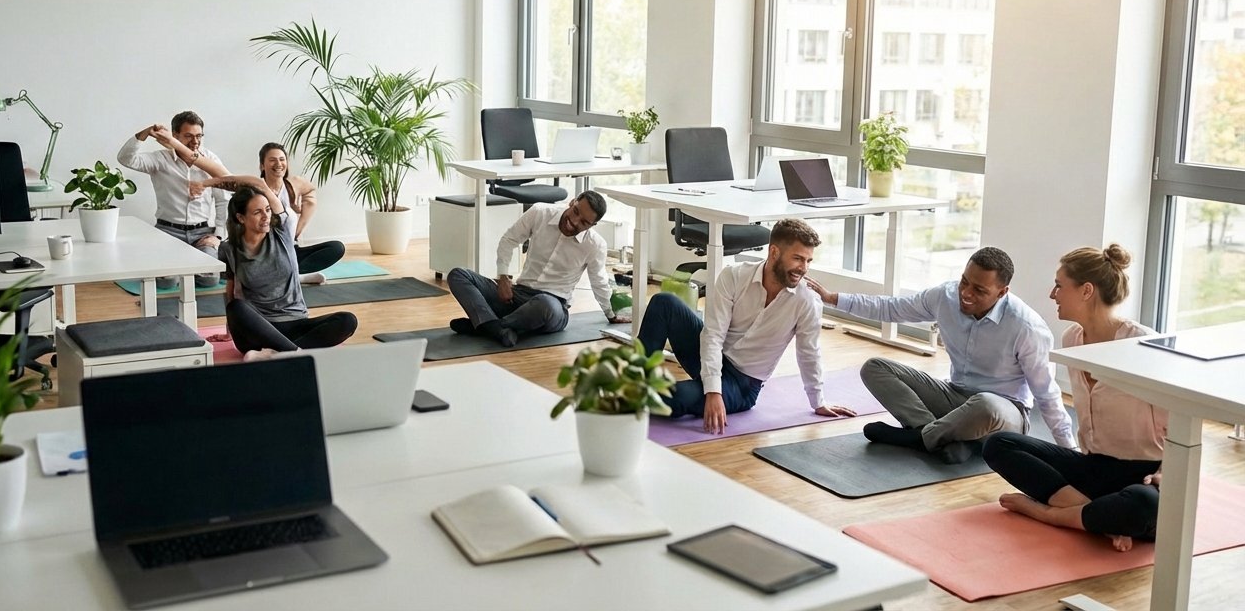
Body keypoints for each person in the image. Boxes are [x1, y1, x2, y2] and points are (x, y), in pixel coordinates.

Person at [806, 246, 1074, 463]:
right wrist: (833, 299)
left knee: (985, 404)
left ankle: (918, 438)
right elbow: (892, 308)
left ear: (1002, 293)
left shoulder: (1027, 327)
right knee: (875, 367)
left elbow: (1046, 394)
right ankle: (942, 437)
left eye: (979, 290)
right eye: (964, 282)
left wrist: (1069, 453)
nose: (966, 293)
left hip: (1003, 414)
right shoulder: (945, 296)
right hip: (954, 397)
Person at [983, 244, 1164, 552]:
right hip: (1094, 468)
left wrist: (1165, 474)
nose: (1052, 294)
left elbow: (1177, 422)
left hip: (1144, 477)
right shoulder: (1072, 339)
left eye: (1059, 285)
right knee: (998, 444)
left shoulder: (1143, 344)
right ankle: (1094, 515)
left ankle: (1049, 514)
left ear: (1086, 291)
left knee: (1143, 505)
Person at [639, 219, 856, 434]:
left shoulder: (807, 300)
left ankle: (635, 394)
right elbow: (713, 335)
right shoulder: (734, 276)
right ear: (774, 252)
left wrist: (818, 402)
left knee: (672, 396)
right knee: (664, 302)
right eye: (798, 258)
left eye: (808, 261)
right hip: (711, 357)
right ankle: (634, 377)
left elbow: (809, 352)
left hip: (742, 384)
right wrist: (713, 391)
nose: (804, 268)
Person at [190, 174, 357, 356]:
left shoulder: (282, 230)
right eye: (257, 212)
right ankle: (293, 354)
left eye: (268, 210)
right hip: (258, 330)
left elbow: (259, 184)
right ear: (241, 218)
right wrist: (229, 331)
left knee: (347, 321)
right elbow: (230, 290)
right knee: (236, 307)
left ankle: (281, 353)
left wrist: (208, 183)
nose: (266, 217)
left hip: (296, 322)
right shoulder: (229, 249)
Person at [446, 191, 629, 348]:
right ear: (572, 202)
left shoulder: (595, 245)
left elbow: (598, 282)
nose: (574, 222)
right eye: (575, 212)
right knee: (458, 275)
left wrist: (610, 314)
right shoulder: (540, 212)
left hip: (552, 308)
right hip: (517, 296)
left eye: (583, 222)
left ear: (592, 226)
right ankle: (497, 328)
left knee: (545, 304)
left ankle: (486, 325)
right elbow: (509, 240)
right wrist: (503, 278)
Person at [117, 111, 231, 288]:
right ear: (175, 136)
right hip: (168, 232)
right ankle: (173, 266)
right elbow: (126, 159)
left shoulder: (210, 159)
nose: (195, 141)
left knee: (210, 280)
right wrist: (144, 133)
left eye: (199, 136)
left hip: (202, 233)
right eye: (188, 136)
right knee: (168, 282)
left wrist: (218, 236)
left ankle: (187, 265)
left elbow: (223, 199)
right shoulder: (160, 159)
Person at [258, 142, 345, 285]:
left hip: (291, 249)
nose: (278, 164)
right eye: (272, 160)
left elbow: (310, 190)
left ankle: (291, 274)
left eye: (282, 159)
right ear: (262, 166)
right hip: (267, 251)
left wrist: (298, 227)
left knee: (336, 247)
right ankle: (292, 276)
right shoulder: (256, 190)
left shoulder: (293, 185)